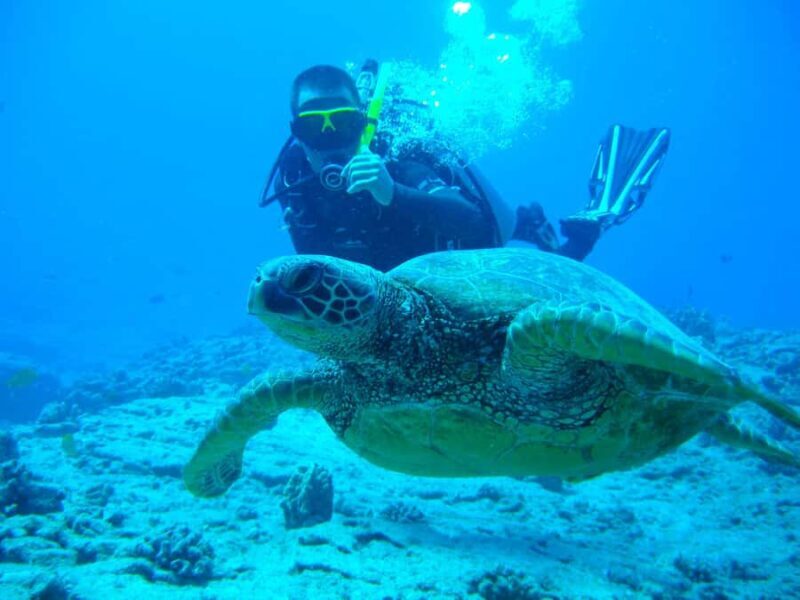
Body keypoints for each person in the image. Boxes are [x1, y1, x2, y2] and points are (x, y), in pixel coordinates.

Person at [260, 64, 670, 270]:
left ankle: (582, 227)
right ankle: (528, 222)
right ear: (296, 132)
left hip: (461, 261)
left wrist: (393, 192)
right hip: (385, 286)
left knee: (560, 270)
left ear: (364, 122)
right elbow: (319, 266)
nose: (330, 140)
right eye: (315, 127)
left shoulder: (399, 155)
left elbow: (475, 225)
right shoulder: (293, 177)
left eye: (343, 123)